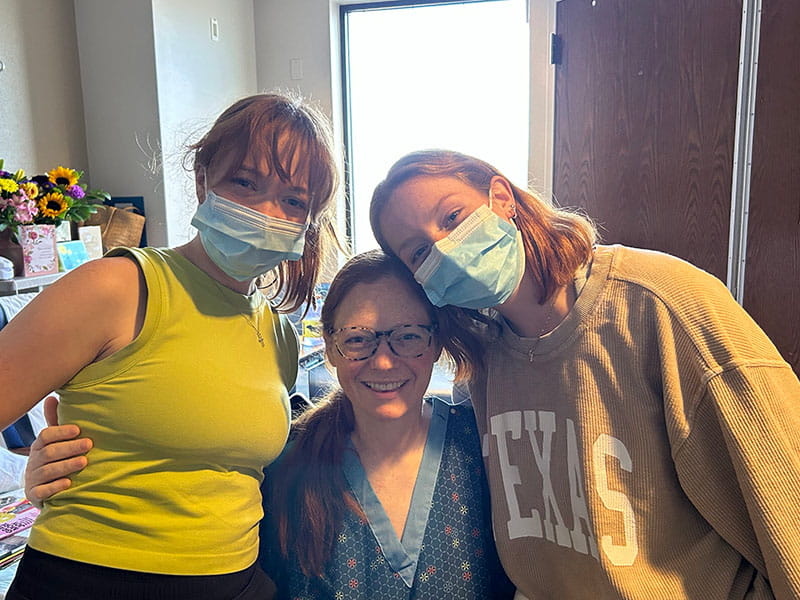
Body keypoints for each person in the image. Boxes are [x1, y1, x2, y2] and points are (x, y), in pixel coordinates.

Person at [368, 150, 800, 600]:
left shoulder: (663, 303)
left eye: (453, 217)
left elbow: (786, 497)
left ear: (501, 198)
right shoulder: (487, 361)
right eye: (420, 251)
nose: (445, 249)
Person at [0, 92, 339, 599]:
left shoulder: (280, 337)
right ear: (203, 178)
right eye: (245, 182)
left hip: (236, 580)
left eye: (293, 200)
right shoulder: (116, 288)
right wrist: (33, 466)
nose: (268, 212)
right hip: (92, 581)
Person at [25, 251, 515, 600]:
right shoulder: (286, 462)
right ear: (329, 348)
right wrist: (73, 471)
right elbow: (183, 496)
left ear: (435, 342)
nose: (383, 362)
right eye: (359, 339)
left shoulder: (487, 448)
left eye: (408, 336)